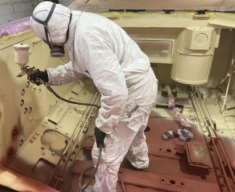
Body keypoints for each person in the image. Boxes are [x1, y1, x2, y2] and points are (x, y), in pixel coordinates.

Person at [28, 2, 158, 192]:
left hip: (133, 92)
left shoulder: (86, 37)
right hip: (143, 84)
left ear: (51, 33)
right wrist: (48, 75)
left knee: (104, 152)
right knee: (135, 130)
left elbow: (116, 92)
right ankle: (141, 163)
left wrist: (104, 126)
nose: (49, 45)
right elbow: (79, 66)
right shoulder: (76, 24)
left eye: (46, 40)